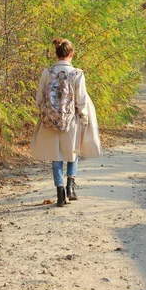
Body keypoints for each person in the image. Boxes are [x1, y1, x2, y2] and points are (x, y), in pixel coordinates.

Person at [30, 38, 101, 207]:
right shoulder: (77, 73)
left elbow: (39, 98)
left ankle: (60, 193)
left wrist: (46, 113)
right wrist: (84, 118)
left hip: (50, 120)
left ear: (56, 54)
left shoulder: (47, 73)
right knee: (72, 152)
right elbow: (81, 99)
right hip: (71, 120)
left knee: (56, 156)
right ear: (71, 54)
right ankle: (70, 186)